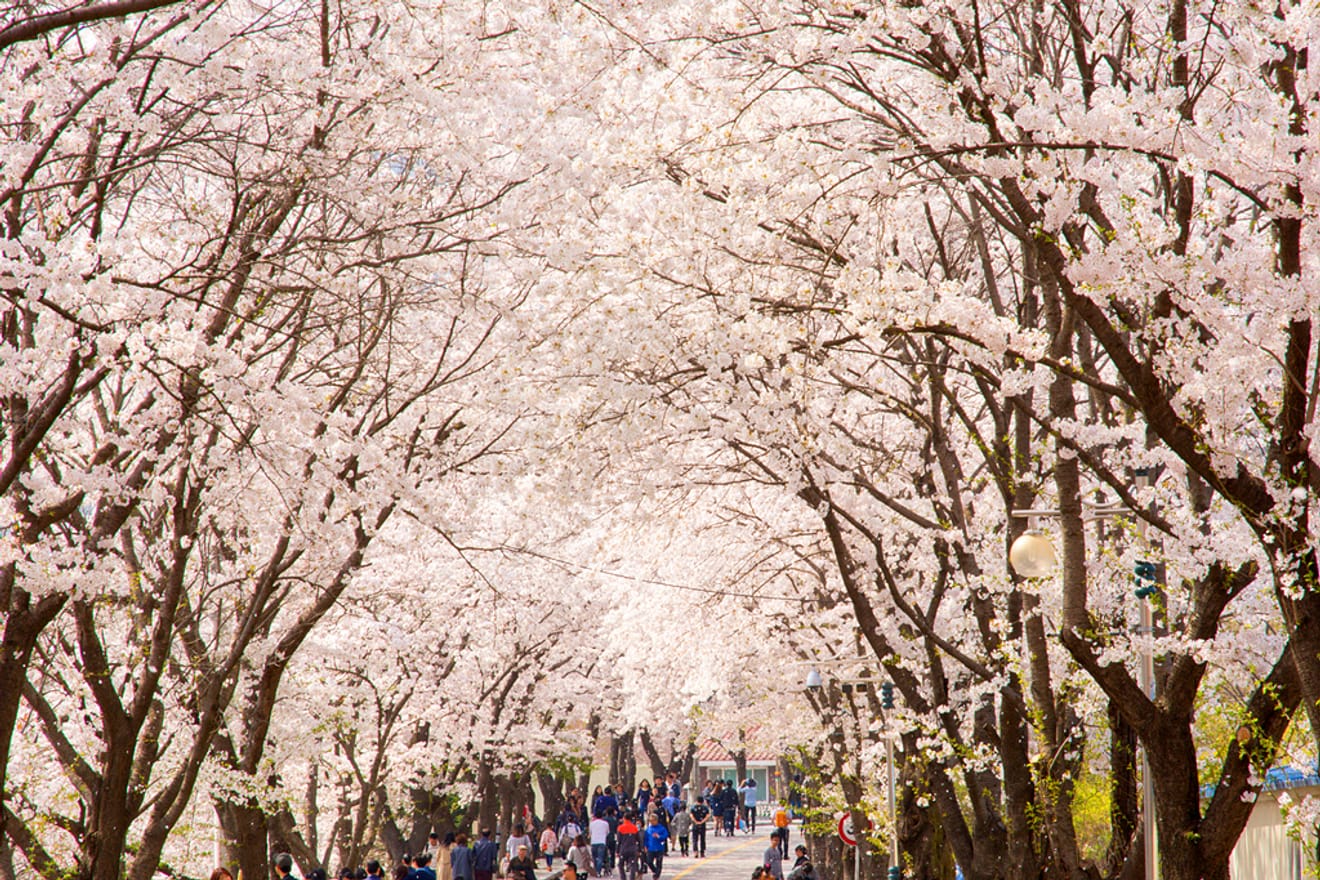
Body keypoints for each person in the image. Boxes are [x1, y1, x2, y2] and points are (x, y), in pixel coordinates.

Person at [642, 813, 668, 880]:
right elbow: (646, 839)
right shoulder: (648, 829)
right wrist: (645, 846)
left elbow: (665, 835)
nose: (652, 822)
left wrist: (659, 836)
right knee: (649, 861)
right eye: (650, 821)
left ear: (656, 820)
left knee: (659, 862)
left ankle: (657, 875)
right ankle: (655, 870)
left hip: (659, 848)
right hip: (651, 848)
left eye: (653, 820)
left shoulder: (661, 828)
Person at [616, 812, 641, 880]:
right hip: (633, 849)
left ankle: (623, 878)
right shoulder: (634, 828)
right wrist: (639, 850)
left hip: (623, 849)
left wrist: (617, 851)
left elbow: (618, 841)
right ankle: (631, 878)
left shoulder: (620, 828)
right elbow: (638, 840)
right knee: (632, 865)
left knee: (620, 865)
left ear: (624, 818)